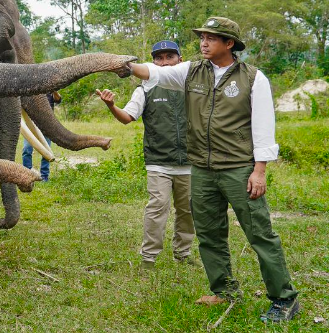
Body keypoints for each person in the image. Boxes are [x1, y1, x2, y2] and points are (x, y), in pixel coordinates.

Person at [126, 17, 299, 323]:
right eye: (202, 37)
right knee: (209, 234)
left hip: (238, 169)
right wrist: (120, 64)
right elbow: (154, 72)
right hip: (202, 170)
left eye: (211, 38)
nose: (203, 43)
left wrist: (259, 171)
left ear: (229, 44)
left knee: (259, 234)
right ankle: (224, 290)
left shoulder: (253, 78)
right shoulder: (191, 71)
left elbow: (263, 127)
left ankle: (284, 298)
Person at [96, 41, 195, 269]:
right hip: (159, 162)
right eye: (159, 58)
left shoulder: (192, 86)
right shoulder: (145, 89)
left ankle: (183, 253)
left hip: (190, 162)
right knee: (157, 207)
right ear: (152, 62)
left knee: (188, 210)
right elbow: (127, 117)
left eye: (170, 57)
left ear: (180, 60)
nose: (165, 62)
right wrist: (111, 106)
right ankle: (149, 257)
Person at [22, 91, 60, 181]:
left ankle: (44, 176)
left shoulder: (50, 90)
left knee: (46, 151)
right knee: (27, 149)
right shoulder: (31, 90)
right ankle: (27, 174)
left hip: (47, 125)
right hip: (31, 124)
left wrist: (54, 90)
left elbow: (58, 99)